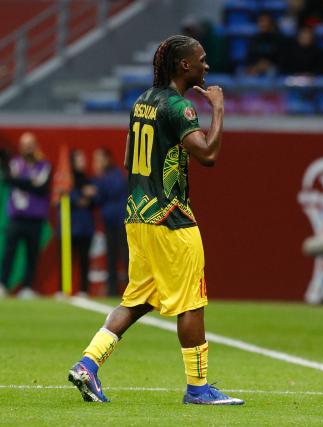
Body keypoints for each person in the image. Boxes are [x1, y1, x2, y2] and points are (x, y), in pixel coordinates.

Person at [67, 35, 244, 406]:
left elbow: (131, 158)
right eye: (201, 59)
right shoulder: (180, 107)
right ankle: (198, 389)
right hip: (171, 218)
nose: (206, 66)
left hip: (137, 215)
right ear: (184, 66)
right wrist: (219, 108)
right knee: (191, 302)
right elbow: (208, 154)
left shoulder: (142, 101)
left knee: (137, 300)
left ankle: (88, 364)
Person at [0, 132, 51, 299]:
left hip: (35, 219)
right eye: (24, 144)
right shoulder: (15, 163)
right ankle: (3, 284)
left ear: (35, 145)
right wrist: (29, 182)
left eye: (30, 144)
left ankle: (28, 287)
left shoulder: (43, 165)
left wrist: (21, 181)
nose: (27, 147)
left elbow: (41, 187)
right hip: (16, 217)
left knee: (32, 254)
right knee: (9, 253)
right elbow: (9, 179)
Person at [89, 147, 128, 296]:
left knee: (126, 258)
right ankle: (112, 291)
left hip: (122, 223)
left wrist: (96, 190)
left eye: (98, 159)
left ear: (107, 159)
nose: (96, 163)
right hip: (109, 223)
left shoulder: (116, 174)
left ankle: (133, 292)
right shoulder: (101, 178)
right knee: (111, 257)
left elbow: (109, 190)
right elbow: (98, 198)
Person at [68, 149, 95, 297]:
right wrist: (79, 198)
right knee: (66, 259)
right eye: (80, 159)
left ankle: (83, 290)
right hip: (70, 226)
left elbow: (95, 197)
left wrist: (89, 196)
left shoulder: (87, 179)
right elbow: (64, 198)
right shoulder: (68, 180)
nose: (83, 162)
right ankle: (63, 289)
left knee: (85, 260)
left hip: (86, 227)